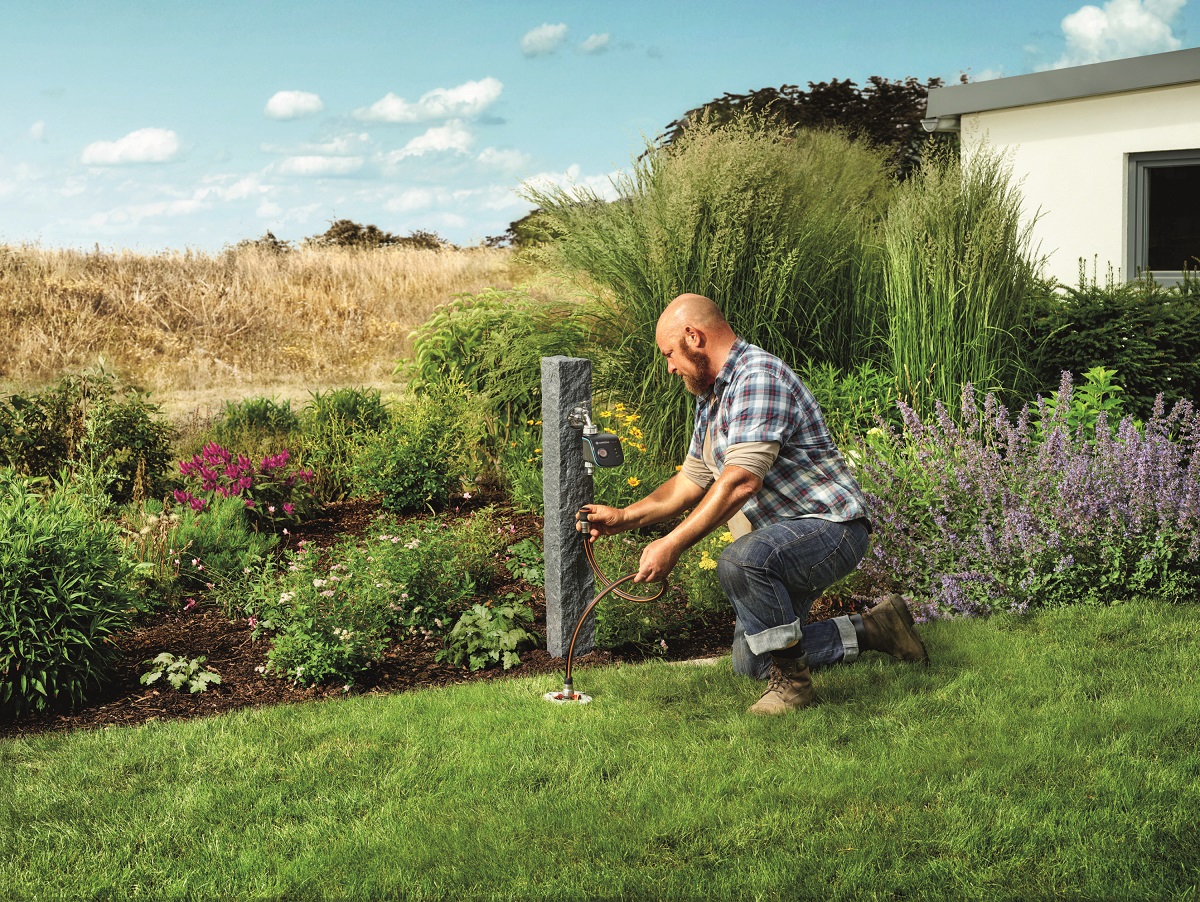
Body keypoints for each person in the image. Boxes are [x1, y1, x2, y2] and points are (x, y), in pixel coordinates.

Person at [576, 293, 927, 715]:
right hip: (781, 541)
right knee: (754, 660)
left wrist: (673, 543)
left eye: (670, 353)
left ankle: (795, 689)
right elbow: (692, 479)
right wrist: (626, 517)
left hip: (831, 529)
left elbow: (739, 481)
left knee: (741, 560)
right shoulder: (712, 396)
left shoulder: (757, 377)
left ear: (694, 336)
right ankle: (876, 629)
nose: (669, 366)